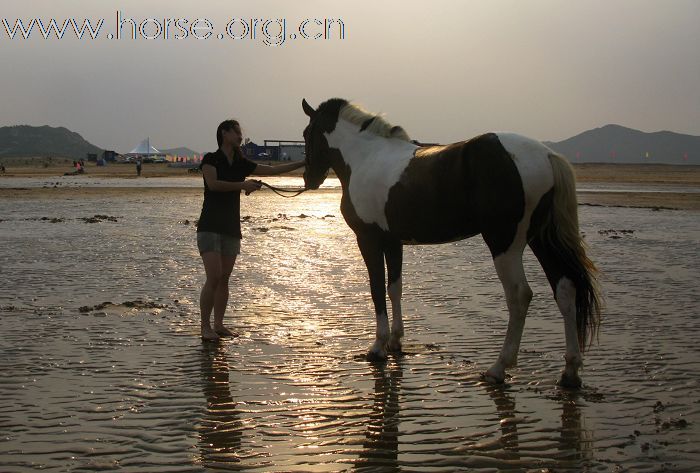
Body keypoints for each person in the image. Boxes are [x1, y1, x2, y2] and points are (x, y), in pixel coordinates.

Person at [197, 119, 304, 341]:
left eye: (240, 132)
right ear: (224, 133)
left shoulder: (240, 162)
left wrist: (303, 163)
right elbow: (214, 185)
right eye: (236, 131)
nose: (239, 135)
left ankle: (218, 325)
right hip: (209, 225)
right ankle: (205, 327)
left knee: (224, 278)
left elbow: (272, 170)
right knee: (214, 276)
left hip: (231, 226)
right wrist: (242, 186)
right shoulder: (210, 159)